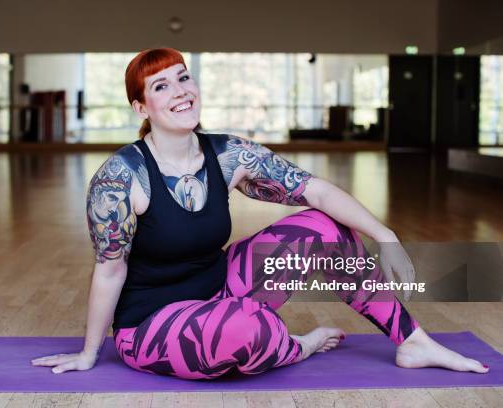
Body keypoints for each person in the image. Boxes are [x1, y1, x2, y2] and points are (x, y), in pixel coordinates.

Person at [32, 48, 490, 379]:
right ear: (141, 107)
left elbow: (314, 190)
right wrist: (90, 352)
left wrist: (384, 233)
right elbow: (110, 271)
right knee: (244, 329)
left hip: (222, 290)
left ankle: (413, 342)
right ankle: (299, 346)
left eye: (184, 77)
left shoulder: (228, 154)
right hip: (153, 323)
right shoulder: (120, 179)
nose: (180, 91)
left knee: (321, 225)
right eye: (161, 85)